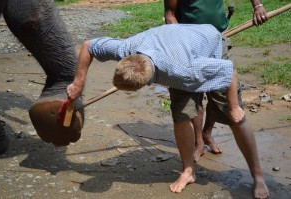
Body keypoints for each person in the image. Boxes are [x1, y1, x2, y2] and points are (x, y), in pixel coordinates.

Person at [66, 24, 268, 198]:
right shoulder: (126, 48)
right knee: (181, 116)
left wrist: (233, 107)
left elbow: (227, 70)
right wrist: (78, 83)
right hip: (180, 43)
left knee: (235, 118)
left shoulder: (183, 70)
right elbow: (88, 46)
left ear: (145, 84)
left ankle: (257, 175)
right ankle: (188, 171)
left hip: (210, 45)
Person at [163, 1, 269, 198]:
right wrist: (182, 45)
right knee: (183, 111)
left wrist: (258, 5)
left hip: (217, 43)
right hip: (186, 49)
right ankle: (188, 170)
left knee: (234, 112)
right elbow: (170, 14)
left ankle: (258, 175)